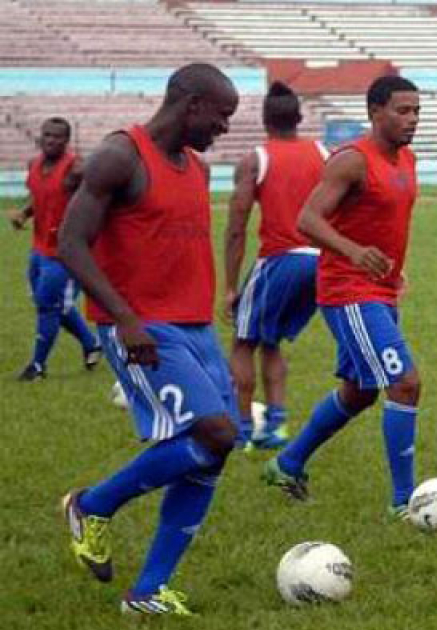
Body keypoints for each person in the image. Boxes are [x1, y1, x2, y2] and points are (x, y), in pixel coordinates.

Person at [55, 63, 240, 615]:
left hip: (195, 327)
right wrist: (124, 318)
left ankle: (149, 590)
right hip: (140, 326)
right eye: (221, 116)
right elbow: (70, 241)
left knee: (215, 450)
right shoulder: (122, 156)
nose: (224, 129)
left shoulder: (197, 170)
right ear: (191, 105)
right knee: (215, 432)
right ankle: (92, 505)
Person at [263, 75, 423, 520]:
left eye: (416, 112)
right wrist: (355, 253)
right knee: (405, 383)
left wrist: (393, 267)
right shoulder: (352, 160)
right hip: (348, 292)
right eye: (402, 111)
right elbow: (307, 220)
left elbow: (381, 220)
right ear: (375, 112)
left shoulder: (407, 159)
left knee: (359, 393)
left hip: (380, 289)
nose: (412, 120)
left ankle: (287, 463)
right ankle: (403, 503)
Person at [224, 81, 327, 449]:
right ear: (299, 117)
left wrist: (231, 287)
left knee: (242, 342)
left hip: (280, 260)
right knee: (271, 342)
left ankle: (241, 430)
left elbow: (237, 227)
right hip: (320, 263)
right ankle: (277, 426)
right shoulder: (323, 153)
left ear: (265, 120)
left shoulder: (257, 158)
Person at [8, 117, 102, 380]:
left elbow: (99, 200)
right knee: (48, 303)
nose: (50, 140)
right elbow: (39, 197)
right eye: (47, 135)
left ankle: (37, 366)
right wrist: (24, 214)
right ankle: (91, 344)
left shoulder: (76, 169)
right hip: (38, 248)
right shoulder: (34, 164)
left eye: (57, 137)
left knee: (48, 306)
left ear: (66, 140)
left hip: (65, 253)